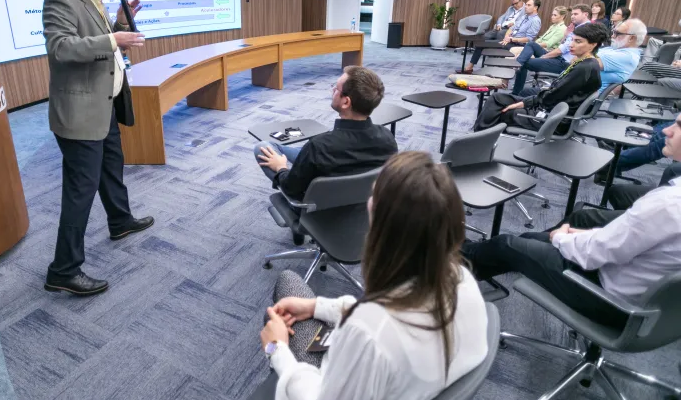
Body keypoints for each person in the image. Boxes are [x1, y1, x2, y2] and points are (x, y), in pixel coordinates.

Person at [260, 152, 488, 400]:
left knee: (287, 284)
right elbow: (383, 317)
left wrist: (277, 350)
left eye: (373, 198)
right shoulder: (461, 278)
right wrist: (317, 306)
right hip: (407, 383)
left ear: (382, 229)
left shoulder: (368, 335)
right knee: (295, 301)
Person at [463, 114, 681, 329]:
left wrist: (560, 239)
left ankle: (457, 269)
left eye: (679, 126)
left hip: (606, 298)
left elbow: (594, 254)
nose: (666, 130)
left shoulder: (667, 204)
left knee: (505, 244)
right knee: (539, 237)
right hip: (652, 308)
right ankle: (499, 254)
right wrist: (578, 238)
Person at [42, 0, 155, 296]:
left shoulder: (95, 1)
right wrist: (113, 37)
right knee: (80, 190)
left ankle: (120, 220)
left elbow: (100, 39)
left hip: (103, 104)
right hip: (79, 112)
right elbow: (61, 48)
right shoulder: (60, 0)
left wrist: (118, 24)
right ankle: (63, 269)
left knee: (111, 165)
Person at [254, 67, 397, 239]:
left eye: (336, 89)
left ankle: (296, 220)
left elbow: (291, 190)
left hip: (318, 215)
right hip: (362, 211)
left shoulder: (319, 147)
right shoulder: (388, 138)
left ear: (346, 102)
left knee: (262, 147)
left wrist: (281, 169)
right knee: (304, 151)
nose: (332, 91)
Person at [473, 23, 606, 133]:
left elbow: (553, 96)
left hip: (555, 118)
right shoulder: (584, 63)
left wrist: (526, 103)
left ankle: (479, 139)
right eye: (572, 40)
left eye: (578, 41)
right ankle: (479, 136)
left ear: (593, 44)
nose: (571, 44)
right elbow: (557, 91)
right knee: (497, 98)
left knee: (504, 112)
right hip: (551, 107)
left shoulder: (585, 68)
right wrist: (529, 101)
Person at [510, 4, 592, 95]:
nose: (572, 16)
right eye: (572, 14)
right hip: (559, 57)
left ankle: (515, 91)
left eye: (576, 14)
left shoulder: (585, 29)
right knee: (531, 44)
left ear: (585, 14)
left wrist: (544, 57)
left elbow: (561, 50)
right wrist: (566, 35)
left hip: (564, 63)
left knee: (524, 62)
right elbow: (562, 45)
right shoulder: (576, 27)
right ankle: (517, 64)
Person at [457, 0, 541, 74]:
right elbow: (512, 28)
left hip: (518, 44)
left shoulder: (535, 21)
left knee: (484, 44)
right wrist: (506, 36)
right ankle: (471, 67)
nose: (525, 7)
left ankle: (474, 68)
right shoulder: (524, 17)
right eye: (526, 5)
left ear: (535, 8)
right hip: (509, 40)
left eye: (528, 5)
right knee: (481, 43)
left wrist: (512, 39)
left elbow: (529, 39)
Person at [595, 18, 646, 90]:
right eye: (613, 32)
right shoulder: (617, 48)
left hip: (582, 95)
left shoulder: (627, 57)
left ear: (631, 38)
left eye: (617, 33)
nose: (612, 36)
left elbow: (585, 62)